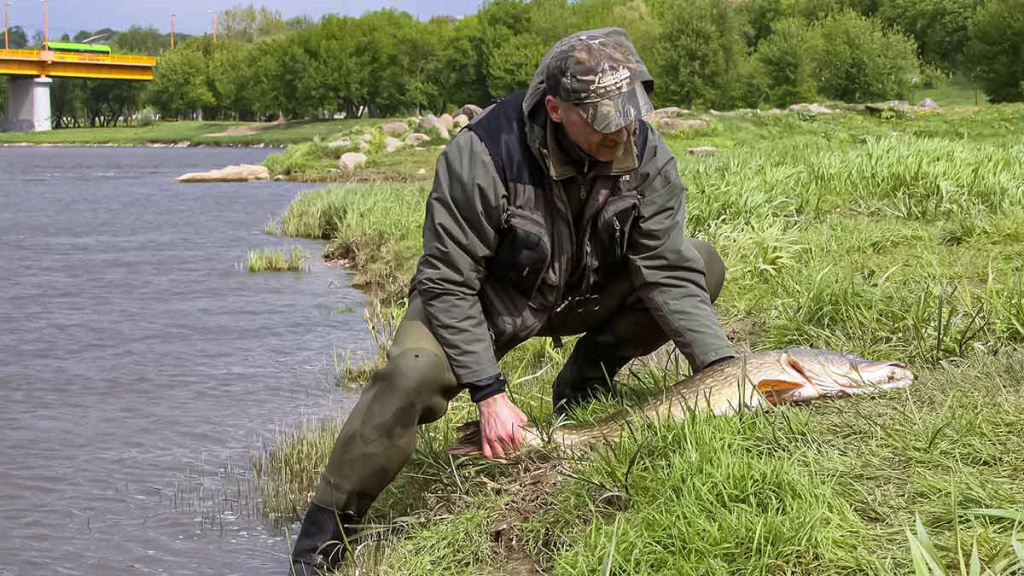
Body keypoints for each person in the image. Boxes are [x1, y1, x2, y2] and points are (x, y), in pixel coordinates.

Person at [288, 28, 736, 575]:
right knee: (410, 375)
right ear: (555, 107)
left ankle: (585, 382)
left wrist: (724, 370)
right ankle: (324, 540)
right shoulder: (481, 154)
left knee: (700, 263)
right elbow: (448, 282)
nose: (621, 131)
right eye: (602, 118)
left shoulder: (645, 152)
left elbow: (664, 268)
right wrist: (490, 392)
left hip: (583, 296)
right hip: (486, 305)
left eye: (629, 113)